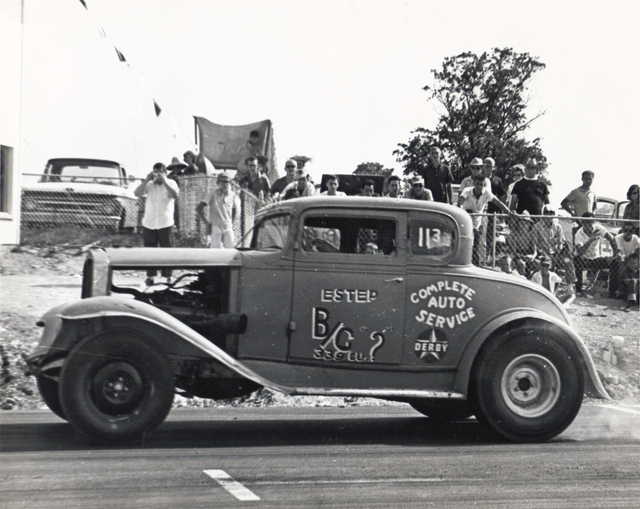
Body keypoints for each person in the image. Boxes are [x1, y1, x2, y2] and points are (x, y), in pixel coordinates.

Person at [134, 162, 179, 285]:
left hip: (165, 222)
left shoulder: (171, 183)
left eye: (159, 173)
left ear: (165, 173)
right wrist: (146, 180)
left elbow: (175, 195)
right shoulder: (149, 185)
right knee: (149, 251)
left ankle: (168, 276)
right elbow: (137, 193)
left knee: (167, 250)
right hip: (149, 222)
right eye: (155, 173)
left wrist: (164, 181)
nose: (157, 176)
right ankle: (150, 276)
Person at [458, 174, 512, 266]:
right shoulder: (467, 190)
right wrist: (461, 210)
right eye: (478, 184)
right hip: (466, 222)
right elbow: (460, 201)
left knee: (477, 246)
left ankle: (476, 267)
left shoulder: (486, 192)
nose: (479, 187)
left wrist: (508, 211)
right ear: (474, 183)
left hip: (477, 223)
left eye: (482, 184)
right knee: (466, 245)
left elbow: (497, 201)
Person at [573, 212, 619, 293]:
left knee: (615, 262)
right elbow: (580, 252)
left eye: (591, 221)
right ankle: (579, 290)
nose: (589, 224)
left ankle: (612, 292)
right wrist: (591, 240)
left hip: (596, 258)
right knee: (576, 259)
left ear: (594, 221)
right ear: (582, 223)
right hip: (585, 260)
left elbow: (611, 238)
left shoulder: (598, 228)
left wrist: (614, 255)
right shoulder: (579, 233)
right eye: (586, 222)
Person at [530, 210, 576, 288]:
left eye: (551, 214)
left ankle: (570, 286)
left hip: (556, 254)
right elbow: (534, 244)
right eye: (547, 214)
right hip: (542, 254)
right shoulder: (537, 226)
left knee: (568, 261)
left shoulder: (558, 227)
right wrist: (542, 252)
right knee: (544, 262)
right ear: (543, 215)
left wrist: (559, 250)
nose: (549, 217)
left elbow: (561, 242)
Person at [195, 172, 240, 249]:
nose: (225, 184)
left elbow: (236, 210)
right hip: (216, 225)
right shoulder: (212, 194)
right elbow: (199, 209)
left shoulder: (233, 195)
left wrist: (231, 222)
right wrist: (207, 224)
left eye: (227, 182)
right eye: (222, 181)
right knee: (215, 251)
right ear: (218, 183)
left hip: (228, 225)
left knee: (230, 249)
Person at [610, 223, 640, 298]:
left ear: (633, 231)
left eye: (631, 230)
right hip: (621, 258)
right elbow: (619, 252)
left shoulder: (635, 238)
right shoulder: (618, 237)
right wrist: (626, 260)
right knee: (622, 267)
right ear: (623, 230)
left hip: (631, 259)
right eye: (626, 230)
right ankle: (621, 291)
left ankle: (634, 290)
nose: (628, 233)